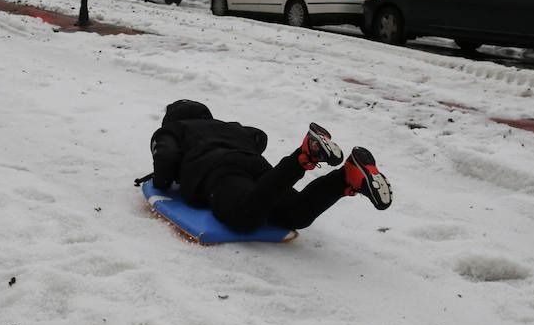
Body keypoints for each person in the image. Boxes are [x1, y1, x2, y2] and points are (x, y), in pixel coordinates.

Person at [140, 100, 392, 235]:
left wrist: (162, 182)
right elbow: (259, 137)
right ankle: (346, 177)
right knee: (296, 214)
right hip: (257, 166)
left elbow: (166, 154)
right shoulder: (231, 126)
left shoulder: (174, 129)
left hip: (219, 171)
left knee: (243, 217)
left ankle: (303, 156)